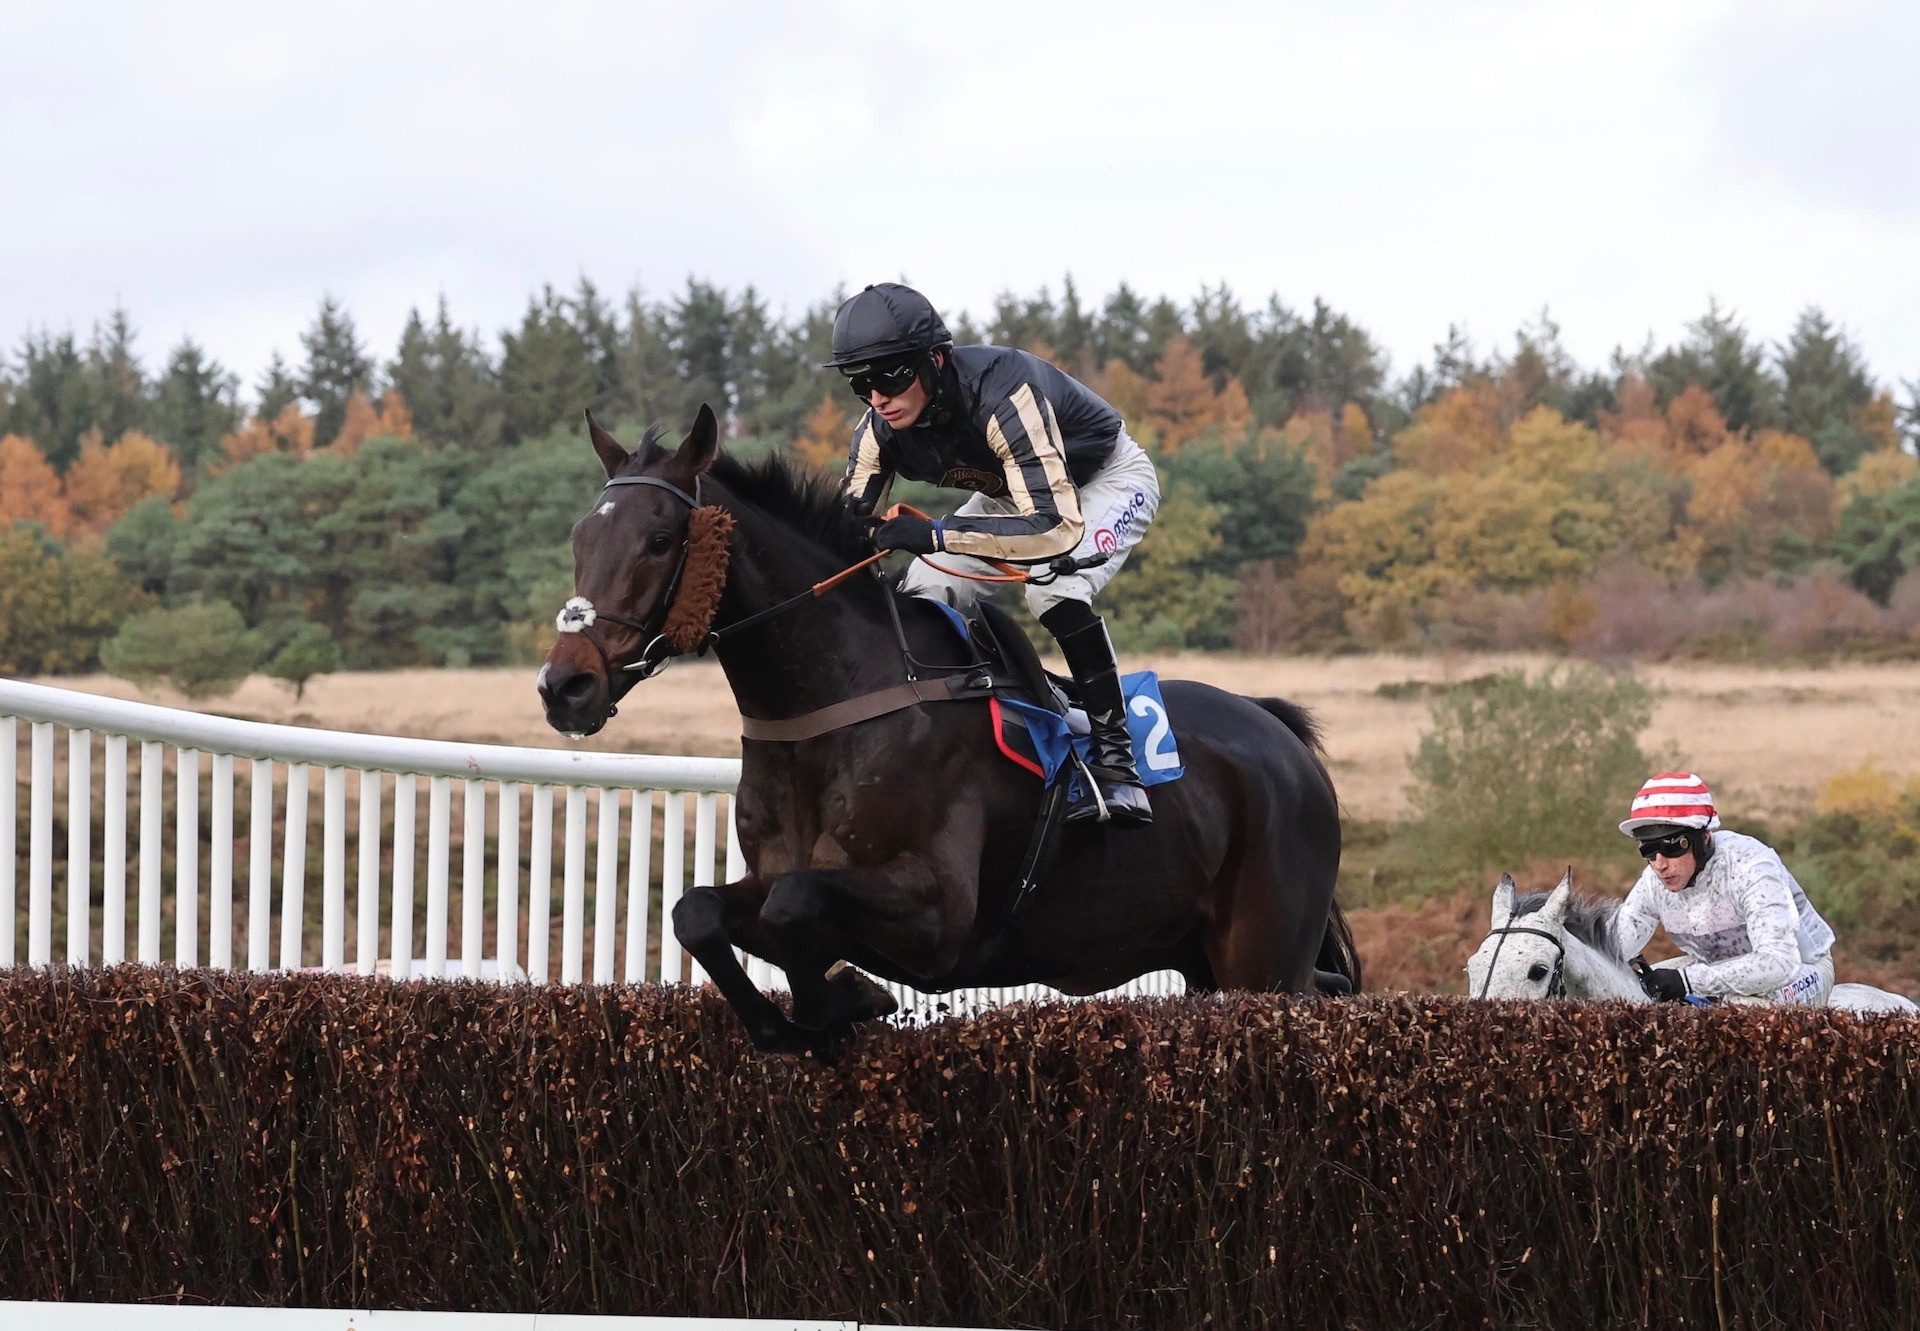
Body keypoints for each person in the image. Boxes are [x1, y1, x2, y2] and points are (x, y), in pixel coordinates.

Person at [824, 282, 1162, 826]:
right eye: (860, 383)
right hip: (1017, 493)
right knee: (924, 590)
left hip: (1105, 481)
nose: (878, 398)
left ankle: (1119, 766)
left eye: (890, 377)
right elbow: (843, 533)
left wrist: (936, 535)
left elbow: (1054, 529)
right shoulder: (877, 430)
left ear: (935, 360)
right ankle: (984, 721)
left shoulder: (1004, 392)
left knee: (1053, 589)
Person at [1606, 771, 1837, 1005]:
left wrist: (1687, 981)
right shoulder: (1652, 882)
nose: (1660, 865)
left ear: (1704, 837)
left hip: (1800, 968)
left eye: (1673, 846)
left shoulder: (1751, 866)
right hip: (1714, 967)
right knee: (1636, 993)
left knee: (1742, 1007)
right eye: (1648, 849)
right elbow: (1610, 948)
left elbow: (1778, 963)